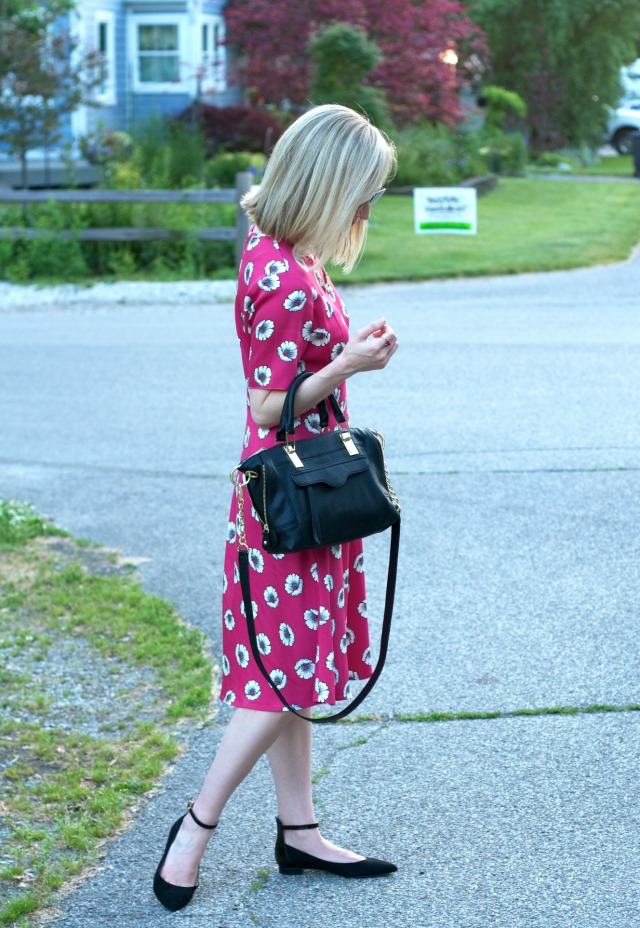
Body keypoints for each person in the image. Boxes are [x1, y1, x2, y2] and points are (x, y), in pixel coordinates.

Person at [153, 104, 399, 912]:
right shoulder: (287, 276)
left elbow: (289, 371)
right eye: (364, 192)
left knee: (290, 669)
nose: (368, 208)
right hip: (290, 495)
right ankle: (195, 825)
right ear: (328, 183)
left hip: (299, 489)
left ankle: (299, 832)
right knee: (277, 679)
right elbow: (267, 405)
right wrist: (351, 363)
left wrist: (343, 353)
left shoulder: (286, 252)